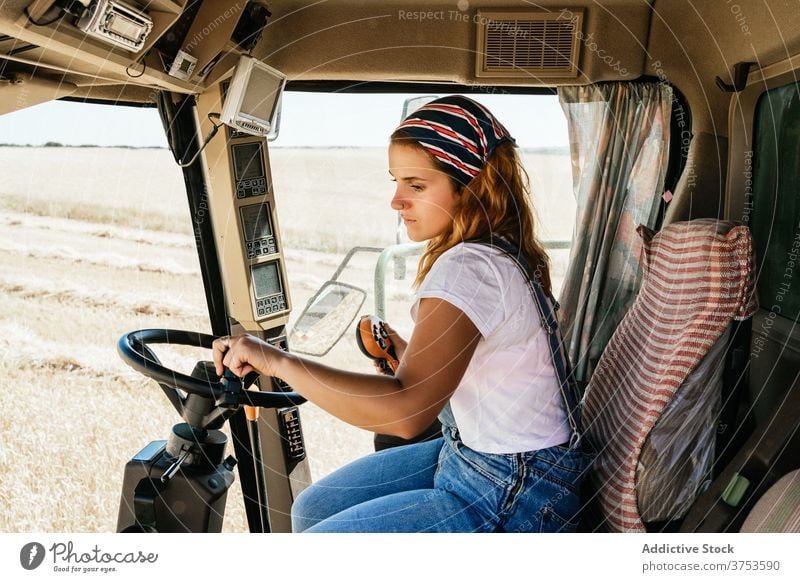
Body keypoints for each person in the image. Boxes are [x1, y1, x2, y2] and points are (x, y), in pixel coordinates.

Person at [212, 95, 587, 533]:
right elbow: (481, 374)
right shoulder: (501, 253)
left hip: (513, 489)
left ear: (470, 185)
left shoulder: (470, 268)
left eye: (416, 185)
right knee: (313, 507)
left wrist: (275, 359)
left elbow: (406, 414)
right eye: (395, 181)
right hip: (485, 457)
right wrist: (408, 354)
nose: (396, 200)